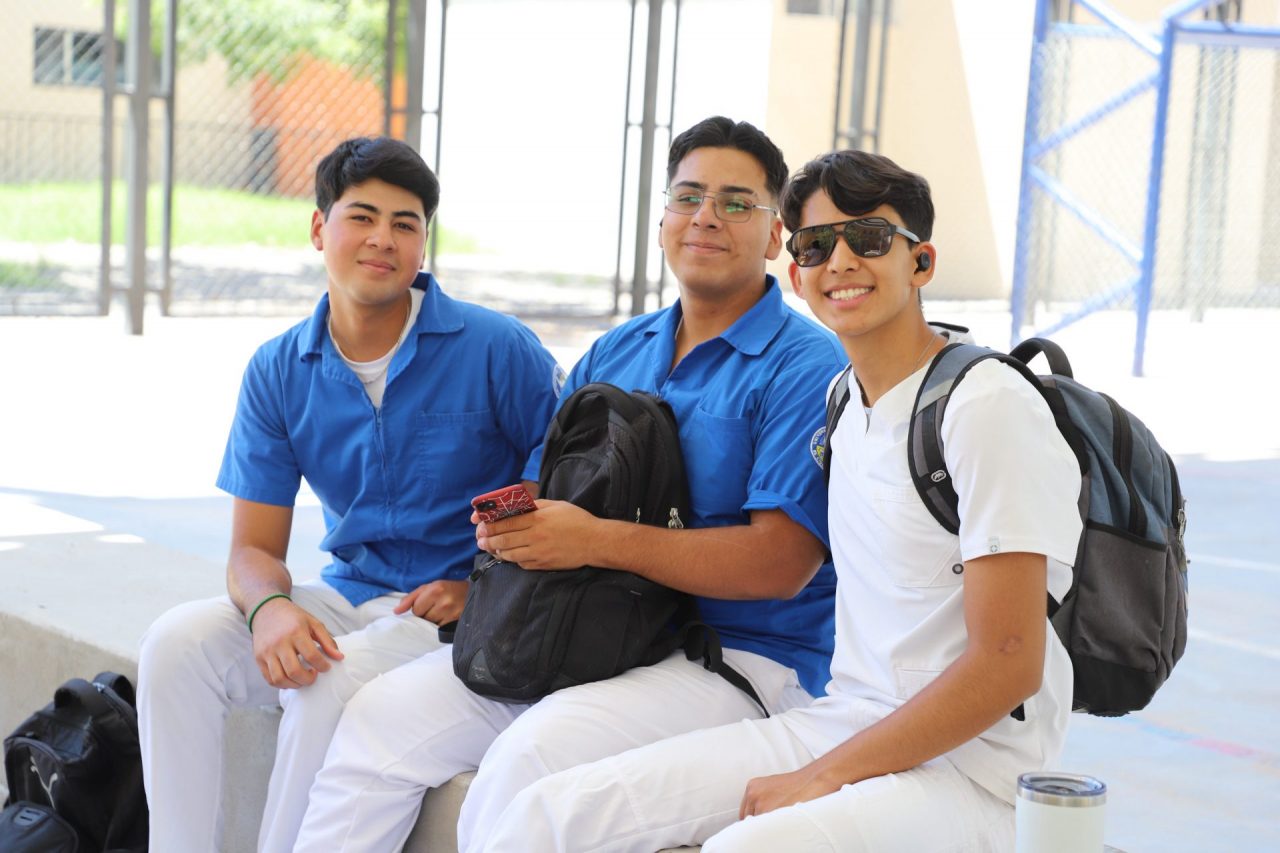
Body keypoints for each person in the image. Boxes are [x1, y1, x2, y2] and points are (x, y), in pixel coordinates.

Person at [474, 149, 1085, 852]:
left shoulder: (986, 405)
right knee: (550, 814)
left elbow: (1008, 661)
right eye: (817, 245)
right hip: (846, 719)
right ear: (796, 274)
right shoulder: (844, 399)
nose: (842, 261)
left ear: (921, 263)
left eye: (870, 238)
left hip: (973, 767)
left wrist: (823, 775)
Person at [291, 116, 847, 852]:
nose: (707, 216)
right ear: (663, 221)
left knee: (529, 757)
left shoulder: (805, 363)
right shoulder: (619, 350)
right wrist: (501, 535)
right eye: (688, 197)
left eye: (737, 202)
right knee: (379, 718)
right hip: (590, 631)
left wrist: (595, 541)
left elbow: (780, 565)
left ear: (775, 234)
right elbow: (543, 488)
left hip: (734, 656)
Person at [135, 136, 563, 853]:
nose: (382, 239)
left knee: (322, 683)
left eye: (405, 224)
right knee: (175, 645)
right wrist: (270, 609)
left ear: (423, 244)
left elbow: (561, 483)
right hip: (347, 593)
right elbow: (252, 550)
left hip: (456, 613)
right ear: (318, 228)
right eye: (362, 216)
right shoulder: (278, 368)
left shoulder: (497, 347)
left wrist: (486, 582)